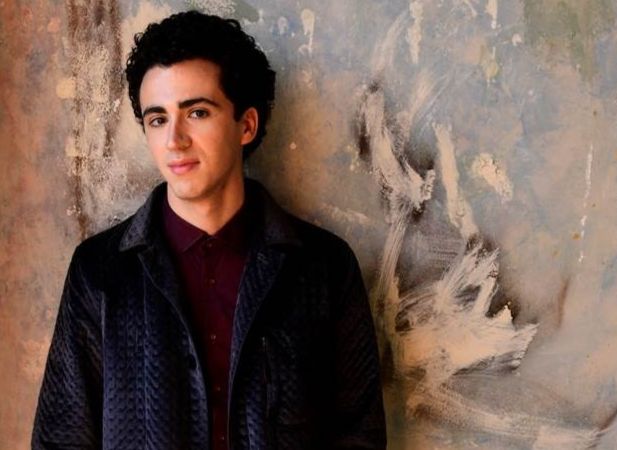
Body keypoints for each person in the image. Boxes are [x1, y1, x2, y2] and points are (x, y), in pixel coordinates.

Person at [32, 10, 386, 450]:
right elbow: (61, 439)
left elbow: (360, 433)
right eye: (157, 119)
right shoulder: (101, 271)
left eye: (197, 112)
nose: (174, 140)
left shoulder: (323, 267)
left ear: (247, 124)